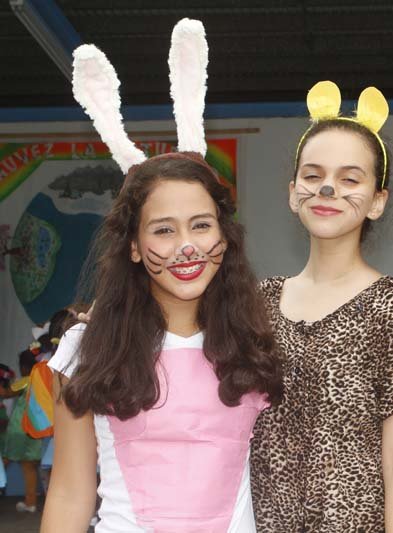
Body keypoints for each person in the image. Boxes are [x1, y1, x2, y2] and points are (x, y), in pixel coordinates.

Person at [41, 19, 282, 532]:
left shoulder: (256, 339)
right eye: (164, 230)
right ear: (133, 245)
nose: (186, 246)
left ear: (225, 237)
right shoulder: (86, 349)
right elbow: (68, 493)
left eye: (201, 225)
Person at [249, 81, 393, 532]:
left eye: (350, 179)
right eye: (313, 175)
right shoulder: (258, 304)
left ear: (377, 201)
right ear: (292, 192)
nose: (327, 189)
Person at [4, 348, 44, 512]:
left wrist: (3, 379)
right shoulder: (40, 380)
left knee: (5, 460)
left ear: (24, 367)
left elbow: (6, 393)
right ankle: (31, 502)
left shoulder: (27, 380)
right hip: (35, 429)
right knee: (29, 466)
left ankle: (30, 502)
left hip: (20, 429)